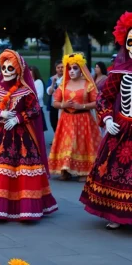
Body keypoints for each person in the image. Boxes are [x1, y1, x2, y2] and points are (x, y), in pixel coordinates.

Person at [0, 49, 57, 221]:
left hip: (21, 138)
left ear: (18, 71)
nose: (6, 72)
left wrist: (18, 118)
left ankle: (23, 207)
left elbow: (35, 110)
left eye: (10, 69)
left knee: (21, 172)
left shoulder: (25, 91)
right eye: (4, 68)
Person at [80, 11, 132, 230]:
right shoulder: (119, 73)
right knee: (115, 171)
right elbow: (104, 98)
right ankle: (116, 213)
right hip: (122, 127)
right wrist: (107, 118)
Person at [48, 53, 101, 182]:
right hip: (66, 119)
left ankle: (84, 171)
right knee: (66, 145)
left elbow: (97, 102)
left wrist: (81, 106)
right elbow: (54, 102)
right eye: (70, 68)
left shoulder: (88, 85)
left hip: (83, 120)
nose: (71, 71)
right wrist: (63, 104)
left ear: (81, 69)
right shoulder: (64, 85)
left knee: (81, 145)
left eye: (75, 68)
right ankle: (65, 170)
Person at [46, 60, 63, 132]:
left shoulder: (68, 79)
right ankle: (56, 139)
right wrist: (53, 83)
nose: (60, 69)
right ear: (56, 69)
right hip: (53, 105)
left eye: (62, 67)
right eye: (58, 67)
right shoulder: (51, 78)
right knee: (53, 123)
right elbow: (49, 92)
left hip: (63, 105)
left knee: (62, 125)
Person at [29, 65, 47, 131]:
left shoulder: (38, 82)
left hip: (37, 107)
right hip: (29, 108)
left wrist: (29, 100)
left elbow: (40, 96)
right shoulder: (29, 83)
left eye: (31, 71)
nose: (29, 73)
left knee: (38, 128)